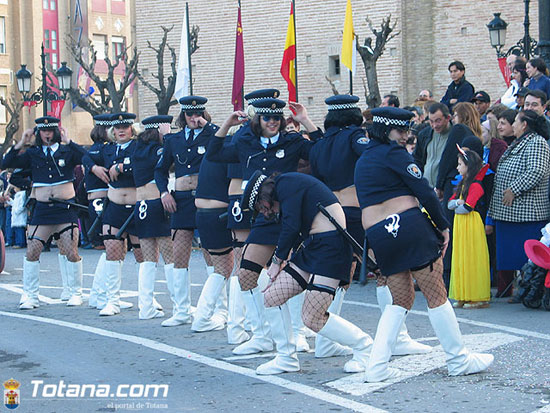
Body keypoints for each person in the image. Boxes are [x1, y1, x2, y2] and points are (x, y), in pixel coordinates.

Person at [354, 107, 493, 383]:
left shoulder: (363, 160)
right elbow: (425, 193)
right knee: (436, 294)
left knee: (400, 300)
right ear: (385, 130)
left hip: (380, 234)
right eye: (401, 130)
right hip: (408, 227)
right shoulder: (395, 155)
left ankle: (377, 366)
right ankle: (458, 359)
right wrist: (443, 226)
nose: (406, 136)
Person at [308, 95, 430, 368]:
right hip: (359, 212)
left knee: (340, 277)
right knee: (386, 273)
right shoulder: (356, 138)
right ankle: (397, 337)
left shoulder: (319, 146)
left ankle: (326, 341)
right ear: (353, 116)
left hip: (330, 215)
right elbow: (376, 156)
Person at [207, 97, 319, 356]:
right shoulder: (245, 142)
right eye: (267, 118)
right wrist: (226, 124)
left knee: (291, 275)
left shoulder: (292, 141)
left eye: (277, 118)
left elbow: (320, 152)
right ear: (257, 120)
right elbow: (214, 154)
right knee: (246, 274)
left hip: (291, 216)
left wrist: (305, 120)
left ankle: (298, 333)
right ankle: (261, 335)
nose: (273, 122)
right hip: (263, 218)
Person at [240, 171, 373, 375]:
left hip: (331, 248)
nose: (266, 213)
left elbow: (291, 225)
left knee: (312, 317)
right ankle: (286, 358)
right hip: (313, 247)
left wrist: (276, 262)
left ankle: (366, 348)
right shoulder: (287, 188)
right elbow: (294, 227)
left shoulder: (286, 183)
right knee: (272, 297)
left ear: (264, 196)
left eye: (261, 208)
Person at [2, 117, 87, 309]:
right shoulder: (33, 153)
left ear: (56, 131)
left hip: (65, 208)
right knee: (32, 250)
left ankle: (75, 292)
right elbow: (7, 163)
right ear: (38, 133)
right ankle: (30, 294)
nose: (47, 134)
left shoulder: (67, 151)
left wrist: (69, 141)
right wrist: (22, 143)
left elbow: (86, 157)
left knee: (71, 251)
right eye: (43, 131)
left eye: (50, 130)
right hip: (42, 209)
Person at [224, 89, 281, 346]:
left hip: (257, 198)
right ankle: (238, 325)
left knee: (253, 263)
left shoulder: (254, 135)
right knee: (245, 262)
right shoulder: (245, 136)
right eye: (262, 112)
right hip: (244, 198)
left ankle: (244, 324)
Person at [155, 96, 214, 327]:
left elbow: (226, 142)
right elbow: (160, 170)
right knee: (179, 255)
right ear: (183, 116)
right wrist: (163, 193)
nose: (193, 117)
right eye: (189, 114)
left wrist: (206, 126)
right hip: (180, 200)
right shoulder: (174, 140)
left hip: (205, 199)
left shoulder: (212, 134)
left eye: (198, 113)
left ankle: (218, 309)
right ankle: (181, 310)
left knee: (213, 253)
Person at [82, 112, 143, 316]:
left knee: (142, 254)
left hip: (135, 207)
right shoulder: (107, 150)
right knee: (112, 253)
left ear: (131, 129)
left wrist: (121, 166)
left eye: (125, 127)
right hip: (114, 207)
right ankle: (112, 300)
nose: (122, 131)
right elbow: (84, 155)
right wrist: (94, 168)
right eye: (118, 128)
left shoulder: (138, 146)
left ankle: (146, 300)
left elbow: (146, 163)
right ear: (112, 131)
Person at [488, 110, 550, 298]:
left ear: (524, 125)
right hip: (510, 213)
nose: (513, 124)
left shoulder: (537, 142)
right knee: (510, 256)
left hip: (526, 213)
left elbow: (536, 171)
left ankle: (530, 288)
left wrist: (514, 189)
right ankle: (517, 288)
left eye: (515, 121)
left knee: (526, 256)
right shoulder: (519, 142)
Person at [191, 127, 235, 333]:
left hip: (204, 214)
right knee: (228, 269)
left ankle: (216, 314)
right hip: (219, 214)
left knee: (220, 268)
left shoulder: (212, 153)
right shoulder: (229, 154)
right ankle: (208, 317)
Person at [133, 115, 175, 320]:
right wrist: (168, 138)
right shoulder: (159, 149)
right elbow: (171, 160)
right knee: (170, 258)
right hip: (156, 203)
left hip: (140, 204)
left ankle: (146, 306)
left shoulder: (136, 149)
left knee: (148, 260)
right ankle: (178, 305)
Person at [448, 148, 491, 308]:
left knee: (472, 257)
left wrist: (458, 204)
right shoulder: (462, 184)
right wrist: (458, 204)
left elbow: (467, 207)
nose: (458, 168)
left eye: (460, 164)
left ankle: (477, 297)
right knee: (461, 257)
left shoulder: (476, 186)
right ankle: (463, 294)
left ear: (469, 166)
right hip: (461, 224)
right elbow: (450, 203)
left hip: (471, 224)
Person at [87, 114, 113, 309]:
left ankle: (100, 294)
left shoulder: (90, 152)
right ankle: (100, 294)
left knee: (110, 247)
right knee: (111, 247)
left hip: (94, 198)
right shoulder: (106, 150)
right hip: (105, 199)